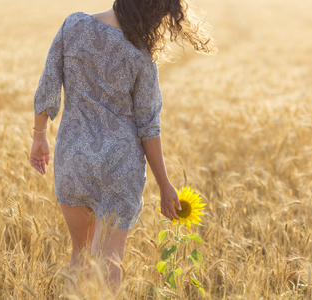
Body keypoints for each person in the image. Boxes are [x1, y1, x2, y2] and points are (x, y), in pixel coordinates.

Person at [29, 0, 214, 295]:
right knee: (109, 260)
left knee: (80, 255)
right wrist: (165, 186)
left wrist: (39, 137)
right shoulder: (140, 54)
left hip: (73, 159)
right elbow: (148, 126)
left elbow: (48, 85)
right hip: (120, 166)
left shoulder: (73, 25)